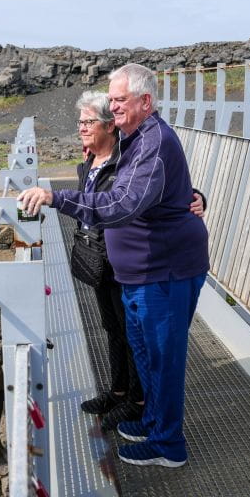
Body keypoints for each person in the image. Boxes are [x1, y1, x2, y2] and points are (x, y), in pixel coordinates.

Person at [19, 64, 209, 469]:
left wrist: (56, 199)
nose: (113, 107)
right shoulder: (133, 138)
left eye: (119, 100)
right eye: (111, 100)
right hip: (138, 273)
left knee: (164, 359)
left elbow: (124, 204)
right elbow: (164, 188)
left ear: (145, 101)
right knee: (146, 357)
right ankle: (153, 421)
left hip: (165, 270)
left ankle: (168, 444)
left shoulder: (153, 141)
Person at [71, 91, 206, 433]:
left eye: (88, 122)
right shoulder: (91, 161)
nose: (82, 129)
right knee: (113, 329)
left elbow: (154, 193)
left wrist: (197, 197)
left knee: (138, 340)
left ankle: (139, 402)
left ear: (108, 126)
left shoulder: (127, 156)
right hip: (100, 261)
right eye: (80, 122)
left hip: (130, 263)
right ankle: (118, 392)